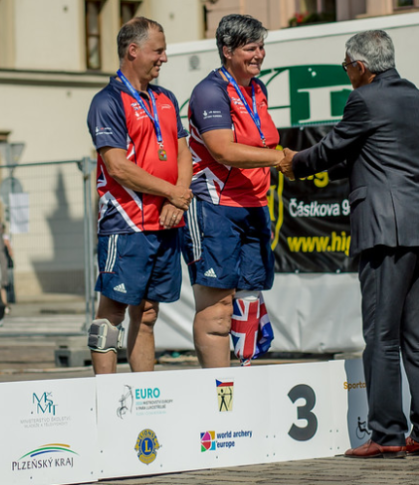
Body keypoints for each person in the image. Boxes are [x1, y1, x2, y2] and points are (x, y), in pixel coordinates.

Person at [278, 30, 419, 458]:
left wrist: (292, 163)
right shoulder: (417, 97)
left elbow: (333, 149)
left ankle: (387, 434)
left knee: (381, 334)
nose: (346, 73)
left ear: (360, 66)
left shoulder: (365, 100)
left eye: (345, 66)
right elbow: (374, 154)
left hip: (387, 229)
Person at [85, 17, 193, 374]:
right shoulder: (107, 101)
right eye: (158, 51)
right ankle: (106, 396)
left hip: (164, 222)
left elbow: (182, 153)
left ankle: (144, 396)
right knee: (112, 313)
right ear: (134, 50)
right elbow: (118, 167)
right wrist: (173, 194)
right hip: (125, 224)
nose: (164, 58)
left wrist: (177, 200)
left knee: (147, 312)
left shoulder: (166, 98)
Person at [181, 14, 283, 368]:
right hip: (215, 205)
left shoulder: (259, 89)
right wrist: (279, 158)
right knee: (219, 306)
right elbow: (223, 150)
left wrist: (276, 159)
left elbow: (262, 143)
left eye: (261, 47)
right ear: (227, 51)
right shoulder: (210, 90)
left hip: (254, 204)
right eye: (250, 48)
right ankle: (220, 393)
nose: (259, 54)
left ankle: (247, 380)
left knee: (251, 297)